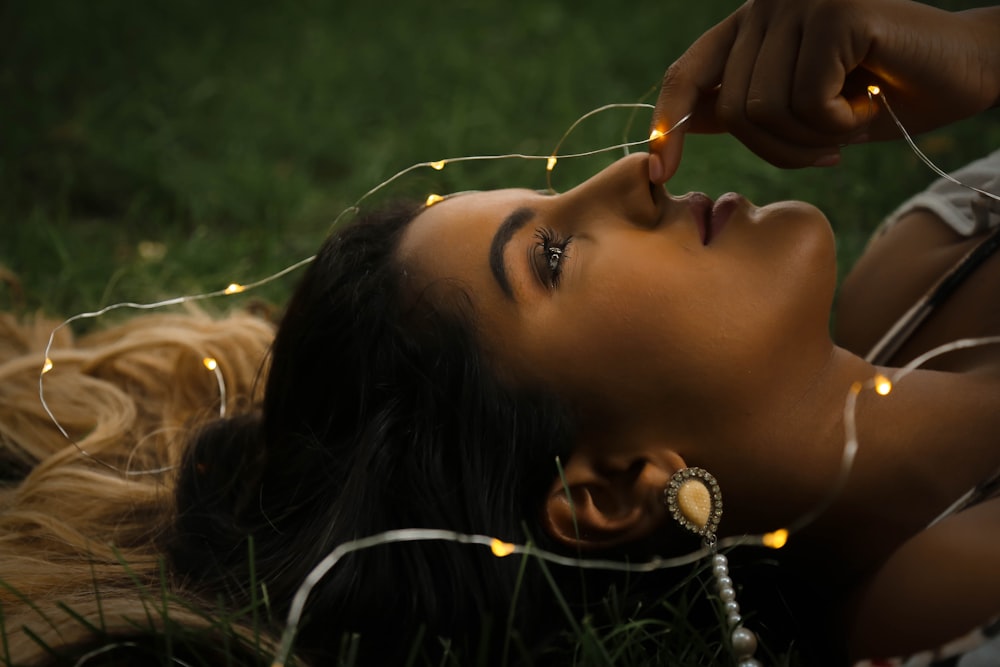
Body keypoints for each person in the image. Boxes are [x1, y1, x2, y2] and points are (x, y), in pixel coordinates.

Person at [1, 0, 998, 665]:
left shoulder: (927, 263)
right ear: (606, 489)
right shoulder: (943, 591)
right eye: (552, 260)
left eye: (563, 197)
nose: (633, 175)